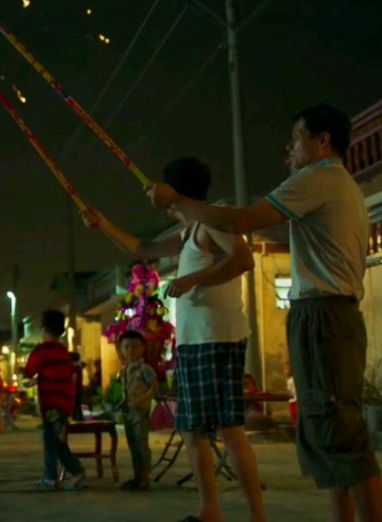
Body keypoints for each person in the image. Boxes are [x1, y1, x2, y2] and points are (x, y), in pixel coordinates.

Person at [147, 103, 382, 521]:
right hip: (325, 313)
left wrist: (182, 201)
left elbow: (243, 219)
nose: (290, 148)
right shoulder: (335, 183)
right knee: (325, 430)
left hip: (324, 314)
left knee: (340, 431)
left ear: (322, 140)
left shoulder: (317, 178)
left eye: (297, 137)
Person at [90, 156, 267, 519]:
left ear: (174, 191)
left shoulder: (211, 220)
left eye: (161, 189)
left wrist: (191, 280)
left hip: (216, 338)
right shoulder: (190, 231)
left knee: (228, 428)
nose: (155, 195)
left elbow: (243, 259)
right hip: (195, 342)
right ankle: (210, 510)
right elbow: (142, 250)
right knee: (191, 428)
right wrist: (103, 223)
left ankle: (255, 516)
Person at [23, 309, 87, 491]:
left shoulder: (42, 350)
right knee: (56, 440)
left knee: (53, 441)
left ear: (44, 329)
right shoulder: (63, 352)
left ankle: (62, 474)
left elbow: (29, 372)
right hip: (64, 402)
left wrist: (25, 376)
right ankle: (60, 474)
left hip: (50, 402)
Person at [116, 330, 157, 491]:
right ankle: (137, 476)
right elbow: (125, 391)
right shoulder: (125, 370)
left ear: (143, 348)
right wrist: (122, 403)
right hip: (128, 413)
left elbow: (153, 390)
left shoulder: (145, 369)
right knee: (133, 445)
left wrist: (139, 401)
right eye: (126, 347)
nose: (130, 351)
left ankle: (145, 478)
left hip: (140, 413)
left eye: (134, 347)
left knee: (141, 444)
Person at [71, 352, 86, 421]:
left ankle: (76, 419)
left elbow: (74, 378)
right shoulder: (79, 367)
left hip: (75, 389)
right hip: (79, 389)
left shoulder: (74, 368)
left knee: (74, 405)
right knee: (78, 405)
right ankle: (80, 419)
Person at [285, 362, 299, 428]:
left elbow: (290, 391)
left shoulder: (291, 380)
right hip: (292, 401)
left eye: (287, 368)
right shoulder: (290, 380)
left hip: (294, 401)